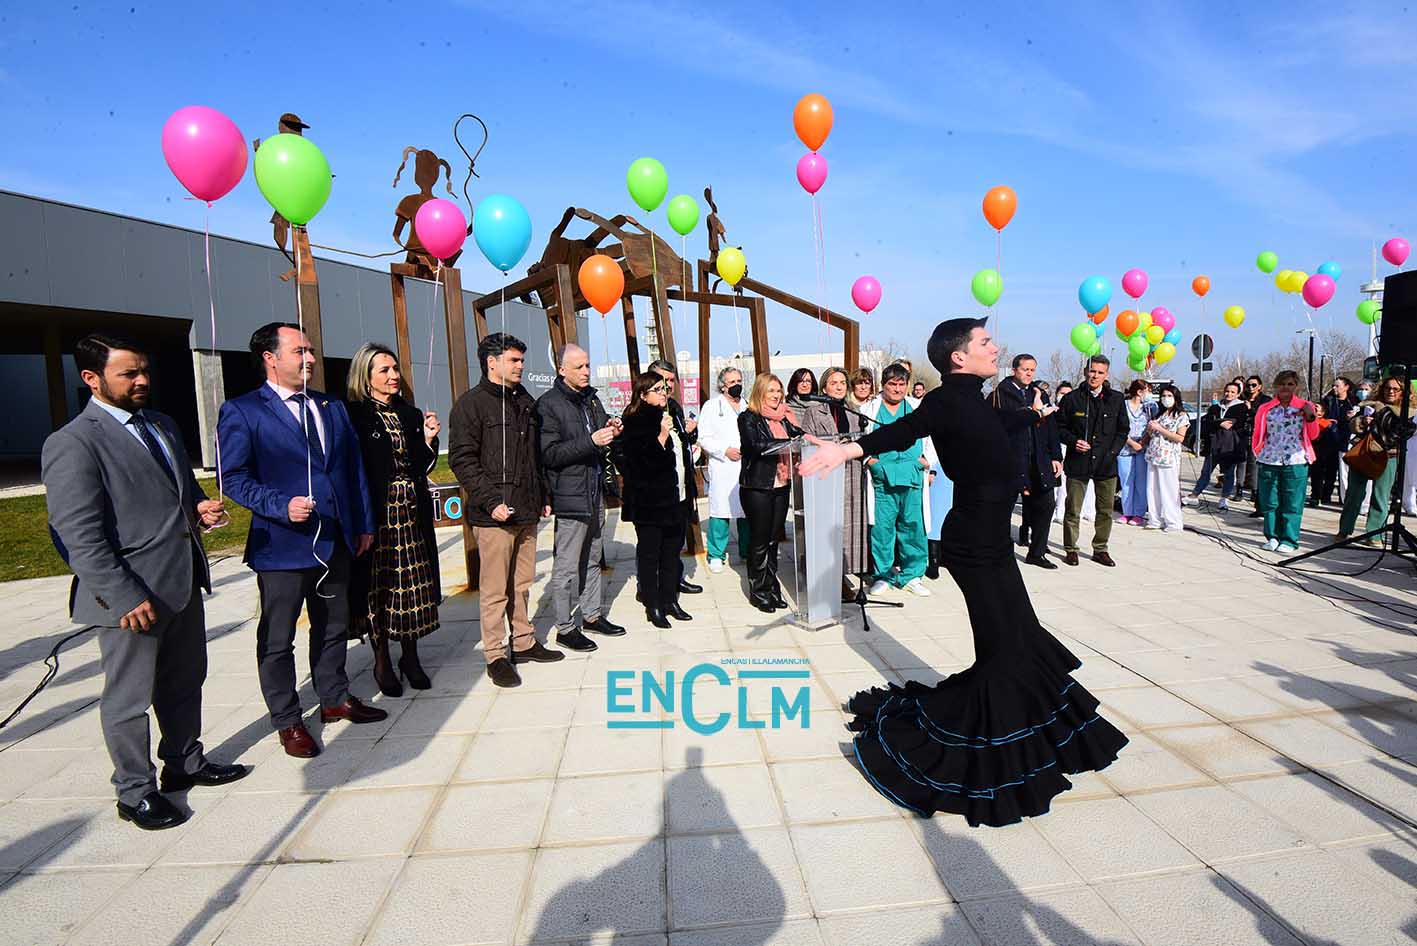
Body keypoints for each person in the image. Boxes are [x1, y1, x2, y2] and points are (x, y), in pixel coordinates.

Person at [798, 318, 1127, 826]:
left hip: (992, 539)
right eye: (985, 343)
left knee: (1019, 637)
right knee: (1005, 646)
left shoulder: (977, 400)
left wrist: (1033, 415)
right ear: (958, 357)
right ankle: (987, 744)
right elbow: (903, 431)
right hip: (973, 543)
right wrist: (846, 449)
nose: (995, 348)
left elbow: (994, 427)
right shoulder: (945, 400)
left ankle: (1034, 735)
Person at [43, 334, 245, 830]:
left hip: (181, 581)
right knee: (129, 699)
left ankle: (184, 762)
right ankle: (135, 792)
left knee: (185, 681)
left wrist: (199, 508)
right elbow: (78, 535)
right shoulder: (73, 443)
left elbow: (181, 488)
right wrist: (121, 595)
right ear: (91, 379)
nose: (142, 381)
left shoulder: (161, 424)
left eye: (144, 371)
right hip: (130, 596)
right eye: (128, 374)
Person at [219, 323, 385, 759]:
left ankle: (334, 697)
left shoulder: (331, 406)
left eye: (311, 350)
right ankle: (288, 719)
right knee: (278, 640)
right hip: (282, 547)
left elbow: (353, 471)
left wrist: (363, 524)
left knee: (333, 627)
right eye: (300, 351)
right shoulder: (242, 411)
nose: (310, 358)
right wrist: (278, 505)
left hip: (335, 541)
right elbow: (232, 477)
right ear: (270, 358)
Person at [449, 332, 563, 689]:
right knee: (495, 589)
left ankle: (524, 641)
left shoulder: (524, 400)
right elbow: (462, 460)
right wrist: (490, 501)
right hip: (494, 515)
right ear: (491, 362)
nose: (521, 366)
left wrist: (543, 494)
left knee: (522, 584)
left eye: (521, 360)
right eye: (514, 360)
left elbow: (534, 456)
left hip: (527, 509)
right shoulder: (470, 405)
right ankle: (496, 654)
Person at [345, 343, 443, 698]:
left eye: (395, 368)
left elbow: (420, 465)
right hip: (377, 515)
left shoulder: (410, 414)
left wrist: (429, 440)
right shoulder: (354, 416)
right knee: (380, 586)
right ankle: (382, 658)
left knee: (413, 585)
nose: (393, 376)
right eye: (384, 370)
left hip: (411, 513)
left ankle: (410, 656)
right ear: (366, 376)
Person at [536, 344, 626, 653]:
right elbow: (549, 454)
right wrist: (591, 441)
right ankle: (564, 628)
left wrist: (612, 427)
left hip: (594, 490)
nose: (586, 371)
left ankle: (591, 616)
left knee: (593, 559)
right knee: (566, 566)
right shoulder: (548, 405)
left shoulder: (591, 399)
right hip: (570, 495)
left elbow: (599, 433)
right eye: (579, 367)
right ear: (562, 370)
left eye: (588, 365)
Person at [618, 371, 697, 627]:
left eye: (664, 388)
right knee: (651, 555)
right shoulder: (635, 420)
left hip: (677, 497)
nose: (664, 393)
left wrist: (688, 434)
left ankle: (670, 600)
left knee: (672, 553)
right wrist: (662, 436)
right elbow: (641, 463)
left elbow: (683, 454)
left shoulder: (671, 413)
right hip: (650, 503)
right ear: (643, 394)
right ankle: (653, 605)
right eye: (657, 389)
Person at [858, 363, 938, 596]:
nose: (897, 389)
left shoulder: (917, 407)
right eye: (892, 384)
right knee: (882, 530)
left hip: (913, 476)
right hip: (882, 478)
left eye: (902, 384)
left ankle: (912, 575)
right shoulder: (868, 409)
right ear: (883, 385)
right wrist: (871, 462)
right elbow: (860, 439)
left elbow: (934, 436)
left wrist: (927, 461)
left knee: (913, 527)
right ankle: (883, 576)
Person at [799, 367, 870, 598]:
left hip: (851, 472)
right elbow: (806, 441)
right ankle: (828, 576)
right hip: (826, 473)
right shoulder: (813, 412)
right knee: (828, 526)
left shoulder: (854, 410)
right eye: (833, 383)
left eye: (842, 383)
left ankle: (845, 573)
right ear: (824, 387)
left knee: (848, 528)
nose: (839, 387)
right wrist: (832, 445)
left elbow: (863, 440)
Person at [737, 374, 803, 612]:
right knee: (760, 540)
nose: (776, 395)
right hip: (758, 487)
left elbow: (800, 435)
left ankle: (772, 587)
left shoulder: (784, 417)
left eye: (779, 391)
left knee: (774, 539)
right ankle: (759, 591)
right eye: (771, 390)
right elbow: (754, 446)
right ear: (760, 392)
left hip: (781, 485)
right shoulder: (748, 417)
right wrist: (786, 444)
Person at [992, 354, 1062, 568]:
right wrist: (1034, 411)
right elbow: (1003, 424)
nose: (1029, 374)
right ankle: (999, 552)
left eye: (1032, 370)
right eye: (1025, 369)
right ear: (1014, 370)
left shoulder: (1039, 393)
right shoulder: (1000, 394)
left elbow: (1051, 428)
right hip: (1012, 459)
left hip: (1039, 459)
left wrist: (1056, 456)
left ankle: (1037, 552)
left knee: (1046, 504)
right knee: (1003, 508)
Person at [1057, 356, 1127, 566]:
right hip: (1078, 463)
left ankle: (1100, 549)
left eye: (1100, 372)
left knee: (1105, 510)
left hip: (1106, 464)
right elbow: (1059, 428)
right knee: (1073, 509)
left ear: (1106, 375)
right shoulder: (1072, 399)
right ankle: (1071, 549)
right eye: (1092, 371)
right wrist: (1073, 441)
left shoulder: (1116, 399)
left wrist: (1112, 452)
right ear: (1085, 372)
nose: (1095, 376)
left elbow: (1123, 430)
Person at [648, 358, 702, 595]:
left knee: (675, 540)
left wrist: (691, 431)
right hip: (656, 491)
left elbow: (683, 445)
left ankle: (674, 579)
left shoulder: (675, 407)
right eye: (663, 380)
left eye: (671, 380)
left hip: (680, 487)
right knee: (654, 545)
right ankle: (648, 587)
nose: (668, 386)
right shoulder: (642, 411)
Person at [1250, 370, 1319, 553]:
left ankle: (1289, 539)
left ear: (1296, 386)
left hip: (1296, 460)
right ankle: (1272, 536)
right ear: (1276, 386)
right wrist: (1257, 451)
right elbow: (1258, 433)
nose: (1285, 388)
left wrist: (1310, 416)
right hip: (1269, 459)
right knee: (1270, 501)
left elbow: (1314, 435)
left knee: (1292, 502)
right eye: (1282, 384)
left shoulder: (1304, 406)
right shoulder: (1266, 408)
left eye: (1290, 384)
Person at [1337, 376, 1409, 544]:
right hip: (1363, 453)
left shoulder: (1408, 410)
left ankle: (1374, 534)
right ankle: (1344, 530)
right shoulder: (1369, 404)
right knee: (1354, 494)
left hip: (1388, 455)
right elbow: (1352, 424)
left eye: (1395, 389)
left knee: (1380, 496)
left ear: (1403, 392)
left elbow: (1405, 433)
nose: (1391, 392)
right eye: (1387, 388)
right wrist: (1362, 421)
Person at [698, 366, 750, 574]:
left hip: (745, 465)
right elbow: (703, 437)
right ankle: (716, 554)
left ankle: (746, 551)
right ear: (722, 386)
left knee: (746, 511)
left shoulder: (748, 405)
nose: (737, 385)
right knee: (720, 512)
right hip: (723, 467)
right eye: (732, 382)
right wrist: (724, 450)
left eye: (739, 381)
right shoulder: (712, 406)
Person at [1184, 380, 1248, 511]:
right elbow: (1207, 422)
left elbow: (1237, 424)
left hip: (1230, 447)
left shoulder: (1241, 408)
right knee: (1206, 472)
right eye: (1227, 391)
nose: (1229, 394)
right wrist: (1219, 423)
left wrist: (1218, 422)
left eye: (1233, 392)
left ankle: (1224, 499)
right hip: (1213, 445)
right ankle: (1194, 494)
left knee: (1229, 473)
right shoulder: (1215, 407)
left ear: (1238, 394)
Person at [1143, 384, 1190, 533]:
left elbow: (1179, 438)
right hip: (1154, 455)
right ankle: (1154, 519)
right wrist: (1151, 429)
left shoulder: (1181, 416)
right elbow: (1152, 435)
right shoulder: (1160, 415)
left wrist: (1161, 429)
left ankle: (1173, 522)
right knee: (1152, 489)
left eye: (1169, 396)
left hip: (1168, 457)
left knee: (1169, 490)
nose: (1166, 398)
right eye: (1163, 396)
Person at [1050, 381, 1093, 525]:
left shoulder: (1075, 408)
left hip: (1071, 447)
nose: (1064, 396)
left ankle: (1064, 511)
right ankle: (1053, 510)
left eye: (1067, 393)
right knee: (1056, 483)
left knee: (1067, 484)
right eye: (1062, 393)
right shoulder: (1050, 410)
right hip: (1056, 448)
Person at [1117, 379, 1154, 525]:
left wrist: (1142, 442)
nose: (1149, 394)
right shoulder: (1123, 406)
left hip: (1142, 448)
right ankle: (1127, 512)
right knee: (1126, 481)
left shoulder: (1148, 408)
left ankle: (1139, 513)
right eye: (1147, 391)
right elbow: (1118, 427)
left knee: (1141, 482)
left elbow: (1151, 426)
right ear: (1139, 392)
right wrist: (1131, 443)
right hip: (1125, 448)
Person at [1239, 374, 1271, 511]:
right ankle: (1239, 489)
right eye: (1248, 385)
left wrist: (1250, 409)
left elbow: (1262, 418)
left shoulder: (1265, 401)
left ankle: (1255, 492)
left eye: (1254, 385)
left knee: (1254, 465)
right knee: (1241, 463)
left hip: (1258, 436)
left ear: (1259, 386)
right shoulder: (1242, 398)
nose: (1251, 388)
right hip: (1243, 435)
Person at [1308, 402, 1342, 509]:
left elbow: (1335, 439)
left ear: (1322, 413)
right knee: (1316, 476)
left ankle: (1326, 496)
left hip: (1328, 453)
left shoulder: (1328, 424)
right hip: (1315, 452)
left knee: (1329, 476)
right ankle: (1315, 496)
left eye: (1317, 408)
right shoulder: (1308, 422)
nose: (1314, 410)